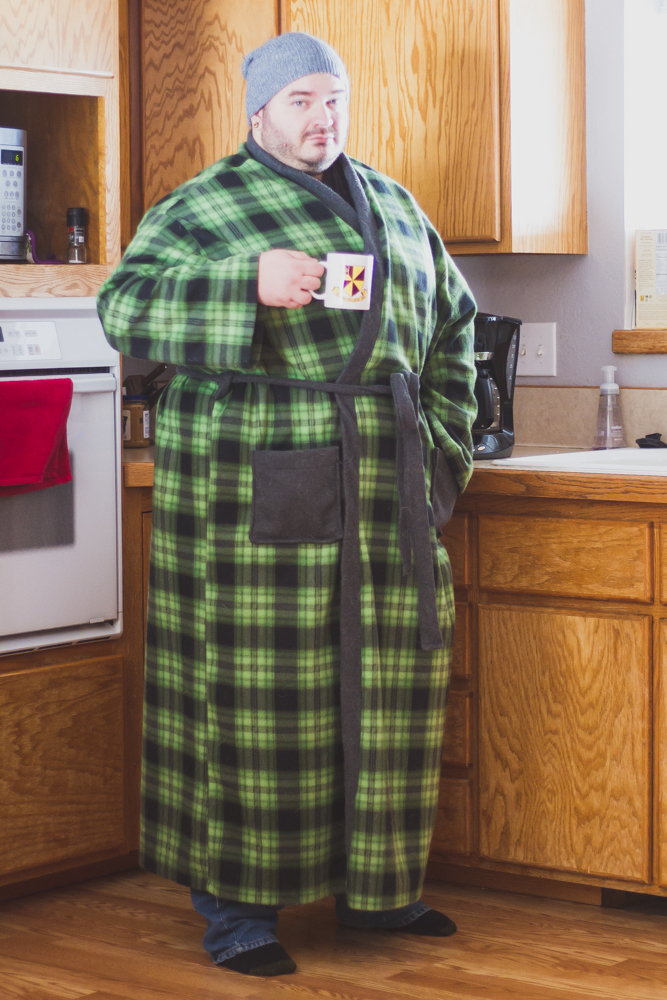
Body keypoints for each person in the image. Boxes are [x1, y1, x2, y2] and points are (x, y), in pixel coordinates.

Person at [98, 32, 477, 979]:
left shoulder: (393, 203)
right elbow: (122, 309)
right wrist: (245, 286)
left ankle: (380, 894)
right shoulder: (204, 207)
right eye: (301, 100)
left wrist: (438, 452)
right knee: (257, 697)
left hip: (384, 482)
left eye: (334, 99)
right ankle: (236, 913)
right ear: (257, 110)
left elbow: (456, 332)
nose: (322, 117)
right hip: (248, 490)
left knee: (385, 696)